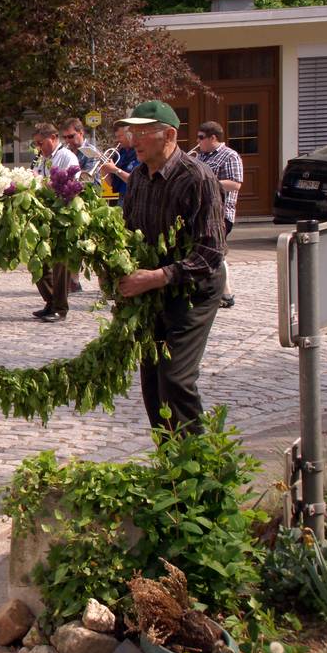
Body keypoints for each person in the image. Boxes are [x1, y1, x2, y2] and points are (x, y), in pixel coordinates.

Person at [115, 100, 226, 434]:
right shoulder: (137, 177)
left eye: (142, 132)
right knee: (152, 382)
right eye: (131, 131)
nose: (132, 139)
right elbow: (129, 234)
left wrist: (158, 277)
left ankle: (201, 472)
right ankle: (170, 474)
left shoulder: (197, 178)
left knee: (175, 378)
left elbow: (211, 252)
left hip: (194, 290)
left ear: (169, 135)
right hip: (154, 290)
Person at [30, 122, 79, 322]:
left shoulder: (67, 156)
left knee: (61, 263)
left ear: (53, 138)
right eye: (36, 144)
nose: (38, 148)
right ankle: (50, 301)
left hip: (62, 215)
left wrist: (43, 183)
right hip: (44, 214)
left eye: (41, 143)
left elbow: (70, 185)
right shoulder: (43, 158)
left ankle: (60, 308)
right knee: (37, 261)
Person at [194, 121, 242, 309]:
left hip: (221, 213)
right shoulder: (202, 156)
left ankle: (226, 294)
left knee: (215, 252)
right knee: (211, 252)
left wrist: (207, 183)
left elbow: (235, 183)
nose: (197, 142)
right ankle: (221, 293)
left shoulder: (229, 156)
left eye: (201, 138)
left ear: (213, 137)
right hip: (203, 212)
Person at [99, 124, 140, 207]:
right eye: (116, 137)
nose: (117, 140)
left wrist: (115, 170)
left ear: (130, 135)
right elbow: (112, 183)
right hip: (122, 198)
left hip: (136, 198)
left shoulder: (139, 153)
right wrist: (104, 169)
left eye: (120, 136)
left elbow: (136, 180)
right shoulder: (121, 152)